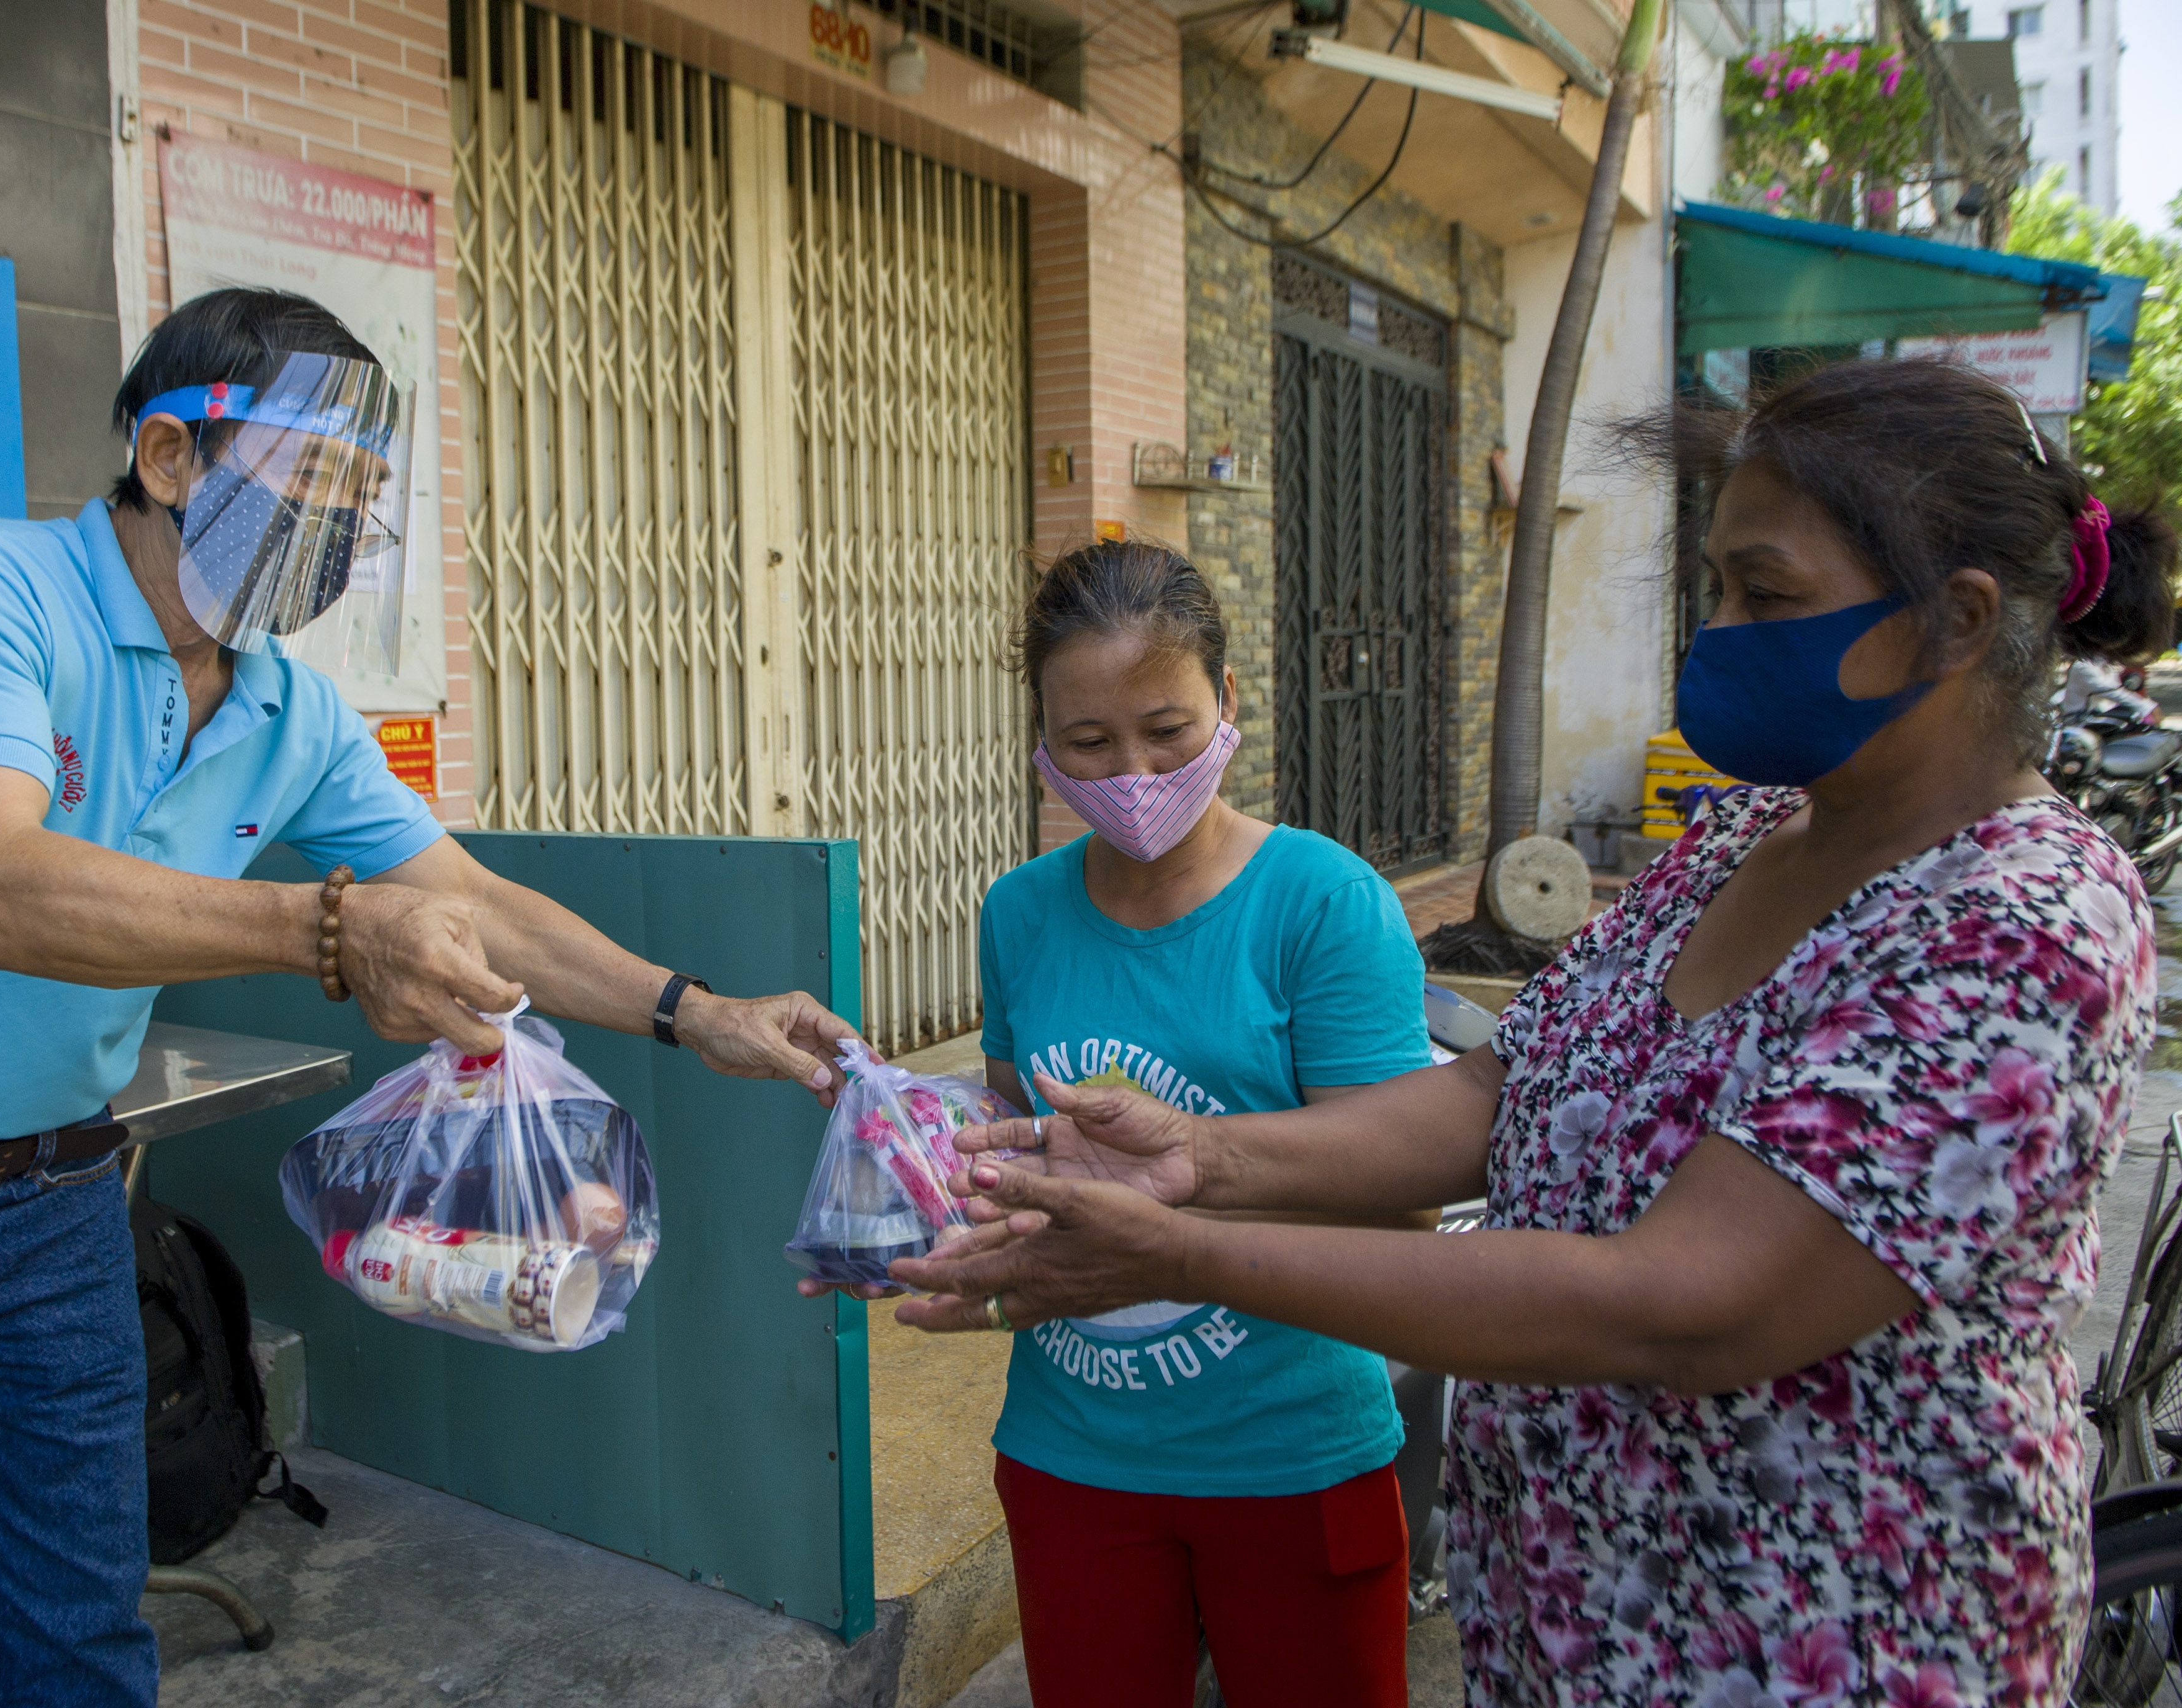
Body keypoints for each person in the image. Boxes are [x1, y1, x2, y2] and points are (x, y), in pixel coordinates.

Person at [0, 287, 854, 1706]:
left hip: (45, 1205)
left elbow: (476, 899)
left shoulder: (288, 709)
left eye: (362, 498)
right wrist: (328, 926)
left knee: (85, 1636)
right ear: (168, 457)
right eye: (312, 479)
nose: (337, 527)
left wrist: (697, 1010)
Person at [890, 359, 2176, 1704]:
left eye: (1765, 594)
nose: (1717, 629)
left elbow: (1682, 1308)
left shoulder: (2021, 919)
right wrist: (1197, 1159)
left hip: (1823, 1644)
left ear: (1955, 620)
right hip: (1577, 1626)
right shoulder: (1742, 836)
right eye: (1715, 587)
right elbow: (1506, 1096)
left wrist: (1180, 1248)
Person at [815, 542, 1431, 1704]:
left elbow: (1398, 1200)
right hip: (1074, 1452)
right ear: (1043, 740)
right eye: (1090, 743)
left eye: (1168, 730)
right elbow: (1014, 1136)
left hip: (1292, 1448)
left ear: (1230, 703)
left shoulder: (1324, 904)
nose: (1133, 771)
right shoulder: (1020, 910)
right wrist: (904, 1192)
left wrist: (1177, 1191)